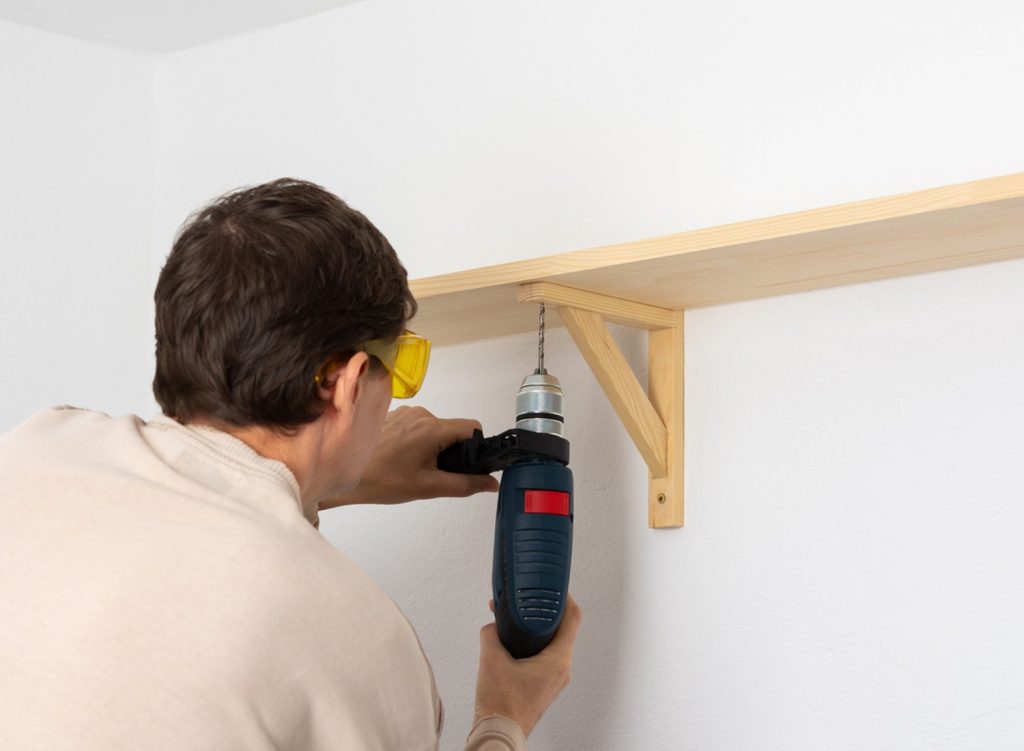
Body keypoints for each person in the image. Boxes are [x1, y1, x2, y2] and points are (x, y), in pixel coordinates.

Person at [0, 179, 582, 750]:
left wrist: (318, 485)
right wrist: (503, 719)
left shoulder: (39, 446)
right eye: (401, 367)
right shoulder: (358, 640)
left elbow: (192, 514)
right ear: (348, 383)